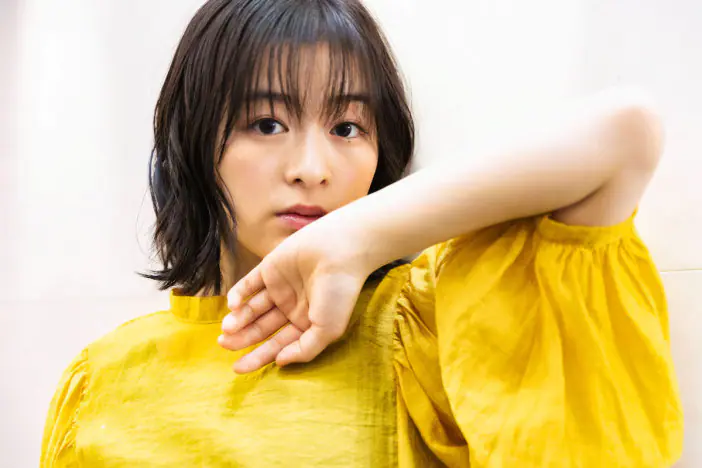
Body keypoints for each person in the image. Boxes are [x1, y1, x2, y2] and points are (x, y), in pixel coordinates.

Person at [41, 0, 684, 466]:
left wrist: (355, 239)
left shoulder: (422, 327)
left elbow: (626, 133)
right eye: (266, 124)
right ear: (193, 142)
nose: (311, 169)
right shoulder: (101, 381)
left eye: (347, 128)